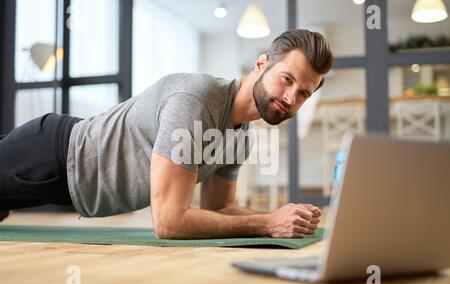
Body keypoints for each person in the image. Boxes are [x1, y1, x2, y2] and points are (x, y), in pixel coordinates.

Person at [0, 29, 333, 239]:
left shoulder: (241, 137)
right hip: (54, 153)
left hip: (67, 188)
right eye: (287, 79)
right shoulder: (197, 100)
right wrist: (266, 225)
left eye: (304, 93)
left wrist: (282, 219)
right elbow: (169, 222)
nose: (291, 98)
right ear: (261, 65)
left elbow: (221, 208)